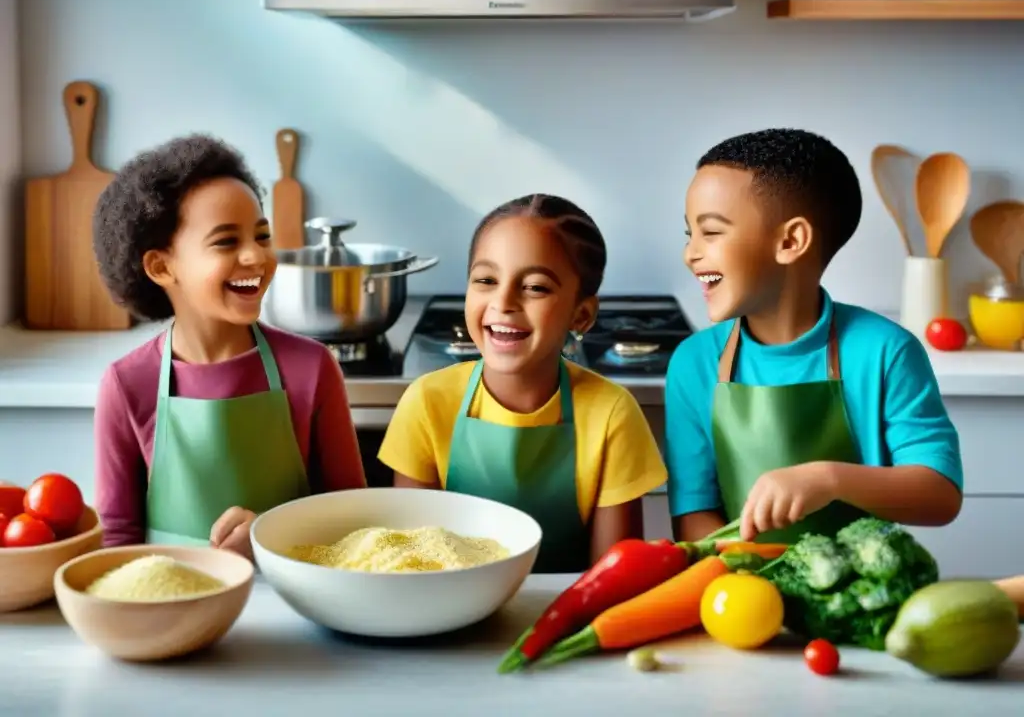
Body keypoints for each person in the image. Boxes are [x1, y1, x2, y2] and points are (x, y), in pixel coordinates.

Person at [665, 129, 963, 544]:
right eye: (689, 234)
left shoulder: (884, 351)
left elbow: (940, 494)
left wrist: (829, 479)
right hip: (735, 594)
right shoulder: (694, 362)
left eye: (710, 232)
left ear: (791, 241)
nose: (691, 253)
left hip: (858, 596)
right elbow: (694, 513)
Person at [91, 134, 366, 558]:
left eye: (261, 236)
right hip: (178, 611)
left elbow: (352, 521)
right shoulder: (127, 383)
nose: (256, 257)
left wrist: (270, 537)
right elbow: (117, 542)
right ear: (162, 267)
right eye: (225, 241)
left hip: (295, 609)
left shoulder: (311, 368)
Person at [378, 194, 667, 573]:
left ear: (581, 315)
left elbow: (612, 579)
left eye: (535, 287)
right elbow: (414, 566)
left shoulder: (611, 413)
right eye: (485, 280)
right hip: (447, 618)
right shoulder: (427, 402)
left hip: (567, 621)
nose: (503, 302)